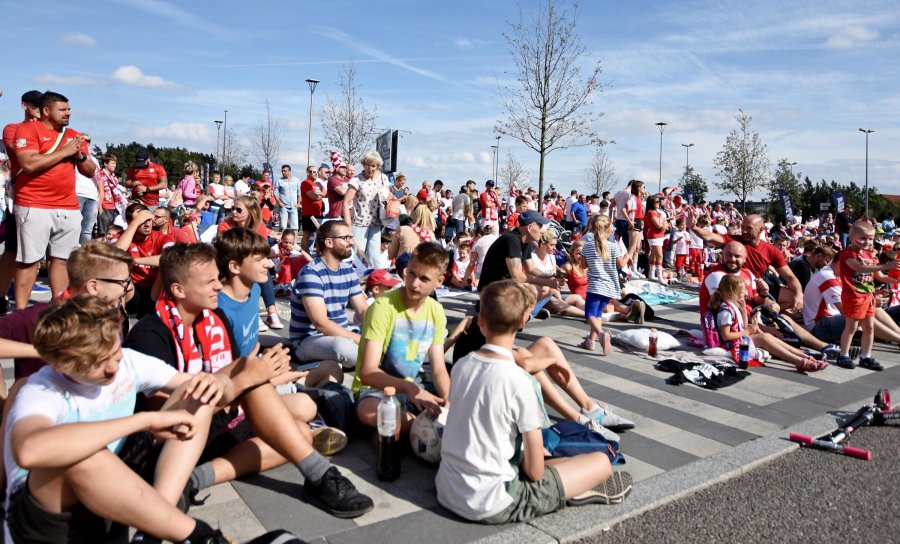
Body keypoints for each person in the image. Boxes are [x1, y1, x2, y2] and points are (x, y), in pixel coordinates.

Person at [125, 243, 373, 518]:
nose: (218, 286)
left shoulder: (213, 318)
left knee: (300, 432)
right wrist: (247, 380)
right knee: (256, 383)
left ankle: (193, 479)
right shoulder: (149, 334)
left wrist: (263, 372)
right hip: (171, 441)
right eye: (208, 282)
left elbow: (230, 374)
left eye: (217, 278)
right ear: (178, 290)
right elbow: (165, 416)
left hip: (216, 420)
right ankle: (320, 476)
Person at [4, 294, 233, 544]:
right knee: (84, 453)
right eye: (95, 362)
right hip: (42, 512)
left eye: (114, 354)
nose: (113, 368)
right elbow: (29, 451)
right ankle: (199, 536)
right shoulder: (41, 390)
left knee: (198, 392)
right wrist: (143, 421)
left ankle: (154, 529)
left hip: (108, 478)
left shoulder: (128, 362)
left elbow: (214, 391)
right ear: (59, 364)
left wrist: (218, 381)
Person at [436, 280, 633, 524]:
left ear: (481, 321)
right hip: (494, 502)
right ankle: (570, 491)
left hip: (446, 488)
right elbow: (535, 471)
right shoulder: (520, 381)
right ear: (521, 322)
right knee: (601, 463)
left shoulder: (462, 366)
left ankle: (571, 482)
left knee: (564, 462)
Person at [0, 241, 136, 383]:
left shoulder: (113, 311)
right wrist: (42, 352)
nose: (127, 288)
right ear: (93, 287)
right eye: (123, 283)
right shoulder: (38, 317)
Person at [354, 242, 450, 438]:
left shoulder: (436, 311)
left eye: (424, 278)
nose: (414, 283)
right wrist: (408, 387)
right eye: (411, 274)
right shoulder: (383, 306)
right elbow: (368, 372)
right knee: (369, 410)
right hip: (375, 390)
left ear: (439, 281)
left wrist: (449, 399)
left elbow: (438, 368)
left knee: (461, 402)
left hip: (414, 387)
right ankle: (408, 427)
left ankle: (396, 429)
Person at [12, 91, 96, 309]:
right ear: (46, 111)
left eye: (69, 109)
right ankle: (21, 311)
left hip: (68, 206)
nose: (68, 113)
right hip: (34, 203)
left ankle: (58, 308)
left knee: (62, 259)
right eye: (63, 109)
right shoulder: (27, 130)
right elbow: (29, 163)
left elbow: (90, 171)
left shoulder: (74, 135)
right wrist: (64, 151)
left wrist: (80, 156)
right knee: (29, 261)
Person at [688, 211, 805, 314]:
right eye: (742, 227)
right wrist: (694, 227)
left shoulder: (771, 250)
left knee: (793, 296)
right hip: (736, 289)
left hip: (757, 289)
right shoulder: (734, 241)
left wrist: (799, 295)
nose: (743, 231)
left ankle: (766, 314)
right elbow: (709, 236)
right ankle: (763, 316)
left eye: (748, 228)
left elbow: (790, 277)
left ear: (761, 230)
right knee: (774, 308)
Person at [290, 220, 368, 370]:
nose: (351, 242)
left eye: (351, 238)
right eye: (345, 238)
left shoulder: (347, 270)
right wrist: (363, 341)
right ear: (329, 242)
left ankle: (375, 356)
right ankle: (378, 359)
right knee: (341, 347)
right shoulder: (311, 273)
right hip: (309, 340)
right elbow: (321, 324)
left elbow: (363, 310)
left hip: (342, 333)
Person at [710, 274, 825, 372]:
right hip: (731, 345)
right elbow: (726, 336)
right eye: (741, 292)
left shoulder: (733, 307)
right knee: (764, 338)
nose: (745, 294)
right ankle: (799, 362)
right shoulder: (725, 311)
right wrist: (747, 331)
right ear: (731, 293)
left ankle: (805, 356)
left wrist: (744, 310)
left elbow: (743, 326)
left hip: (739, 340)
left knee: (767, 336)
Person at [1, 90, 43, 312]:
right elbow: (21, 155)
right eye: (35, 105)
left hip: (45, 198)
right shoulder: (12, 128)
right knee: (12, 250)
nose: (39, 109)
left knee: (34, 253)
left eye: (42, 105)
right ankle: (2, 296)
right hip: (20, 195)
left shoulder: (52, 132)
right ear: (24, 106)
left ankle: (24, 305)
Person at [835, 221, 897, 370]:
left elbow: (880, 276)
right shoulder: (846, 254)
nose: (867, 242)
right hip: (853, 295)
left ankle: (865, 356)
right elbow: (860, 268)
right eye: (862, 238)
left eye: (870, 239)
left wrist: (895, 279)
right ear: (851, 237)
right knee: (852, 327)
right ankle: (843, 355)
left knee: (869, 328)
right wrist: (885, 265)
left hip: (868, 296)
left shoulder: (869, 254)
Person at [114, 204, 175, 317]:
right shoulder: (121, 236)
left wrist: (134, 261)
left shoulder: (162, 238)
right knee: (116, 266)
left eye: (149, 220)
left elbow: (170, 259)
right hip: (130, 290)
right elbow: (115, 254)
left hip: (154, 290)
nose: (147, 224)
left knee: (166, 267)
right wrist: (135, 224)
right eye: (142, 221)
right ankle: (120, 320)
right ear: (129, 222)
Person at [579, 215, 627, 354]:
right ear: (608, 230)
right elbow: (621, 264)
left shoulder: (587, 246)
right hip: (610, 286)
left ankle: (601, 334)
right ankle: (590, 341)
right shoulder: (613, 246)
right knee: (598, 313)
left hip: (595, 285)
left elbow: (583, 265)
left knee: (589, 314)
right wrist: (629, 254)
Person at [644, 195, 669, 283]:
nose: (658, 203)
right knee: (659, 255)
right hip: (654, 236)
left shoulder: (656, 212)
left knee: (654, 255)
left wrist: (665, 223)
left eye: (659, 202)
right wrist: (664, 223)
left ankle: (651, 275)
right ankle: (659, 277)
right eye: (656, 202)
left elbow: (661, 224)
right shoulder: (651, 212)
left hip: (658, 235)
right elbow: (658, 225)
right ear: (651, 203)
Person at [276, 164, 301, 231]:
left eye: (285, 171)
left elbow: (299, 192)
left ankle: (294, 241)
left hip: (294, 206)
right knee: (283, 227)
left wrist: (298, 203)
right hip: (284, 206)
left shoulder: (296, 180)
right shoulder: (279, 181)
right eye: (282, 171)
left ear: (289, 171)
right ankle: (281, 241)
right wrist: (279, 203)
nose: (283, 172)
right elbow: (275, 193)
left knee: (295, 227)